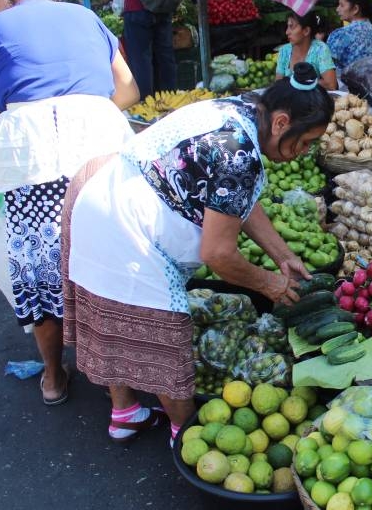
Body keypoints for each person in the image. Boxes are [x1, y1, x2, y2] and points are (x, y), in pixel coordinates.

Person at [61, 63, 333, 444]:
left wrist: (281, 254)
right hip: (128, 228)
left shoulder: (241, 109)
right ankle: (184, 437)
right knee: (164, 340)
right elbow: (218, 255)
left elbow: (235, 199)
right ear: (281, 122)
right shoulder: (239, 152)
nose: (304, 153)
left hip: (99, 197)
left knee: (113, 317)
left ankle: (125, 413)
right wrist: (268, 283)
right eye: (304, 142)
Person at [0, 0, 138, 406]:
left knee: (41, 274)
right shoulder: (86, 16)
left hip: (34, 166)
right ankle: (117, 378)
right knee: (102, 261)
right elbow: (128, 90)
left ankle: (54, 374)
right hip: (102, 156)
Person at [112, 0, 177, 99]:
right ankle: (171, 100)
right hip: (162, 4)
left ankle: (146, 105)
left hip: (138, 6)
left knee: (141, 60)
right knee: (165, 57)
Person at [327, 0, 372, 71]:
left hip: (347, 83)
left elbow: (325, 68)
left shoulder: (340, 35)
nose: (337, 9)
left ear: (355, 9)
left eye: (342, 5)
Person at [276, 12, 337, 91]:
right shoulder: (284, 51)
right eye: (287, 27)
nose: (287, 32)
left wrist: (299, 82)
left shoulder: (320, 49)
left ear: (306, 31)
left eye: (291, 27)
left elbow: (331, 85)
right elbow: (278, 84)